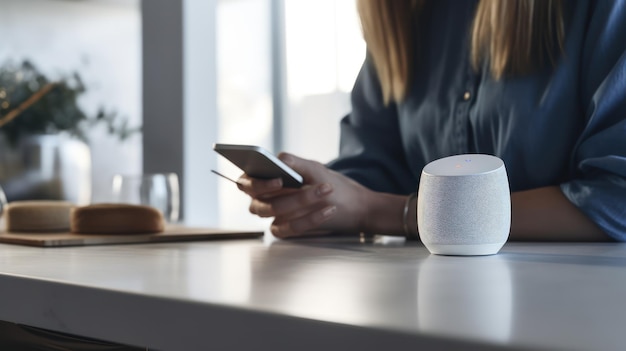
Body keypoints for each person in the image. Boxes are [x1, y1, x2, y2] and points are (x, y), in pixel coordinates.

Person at [237, 0, 626, 242]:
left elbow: (616, 196)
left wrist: (385, 211)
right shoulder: (403, 13)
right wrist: (315, 200)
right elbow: (372, 171)